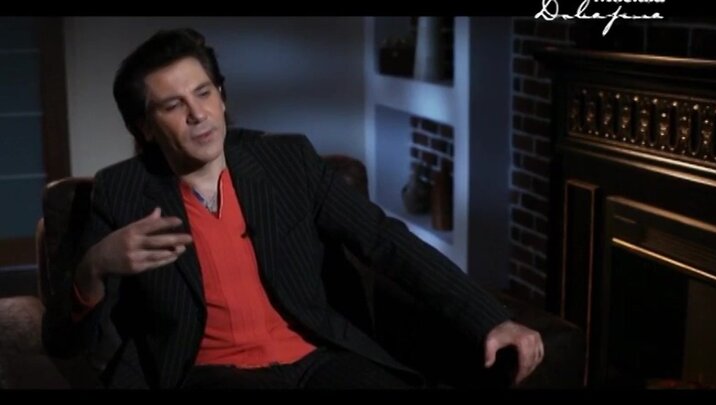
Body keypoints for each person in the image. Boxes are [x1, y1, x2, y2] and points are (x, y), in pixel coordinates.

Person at [42, 28, 543, 389]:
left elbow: (385, 240)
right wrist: (94, 266)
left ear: (222, 96)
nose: (198, 114)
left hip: (320, 359)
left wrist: (490, 318)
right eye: (173, 106)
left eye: (204, 93)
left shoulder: (287, 161)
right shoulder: (121, 191)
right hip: (212, 374)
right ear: (145, 128)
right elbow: (63, 341)